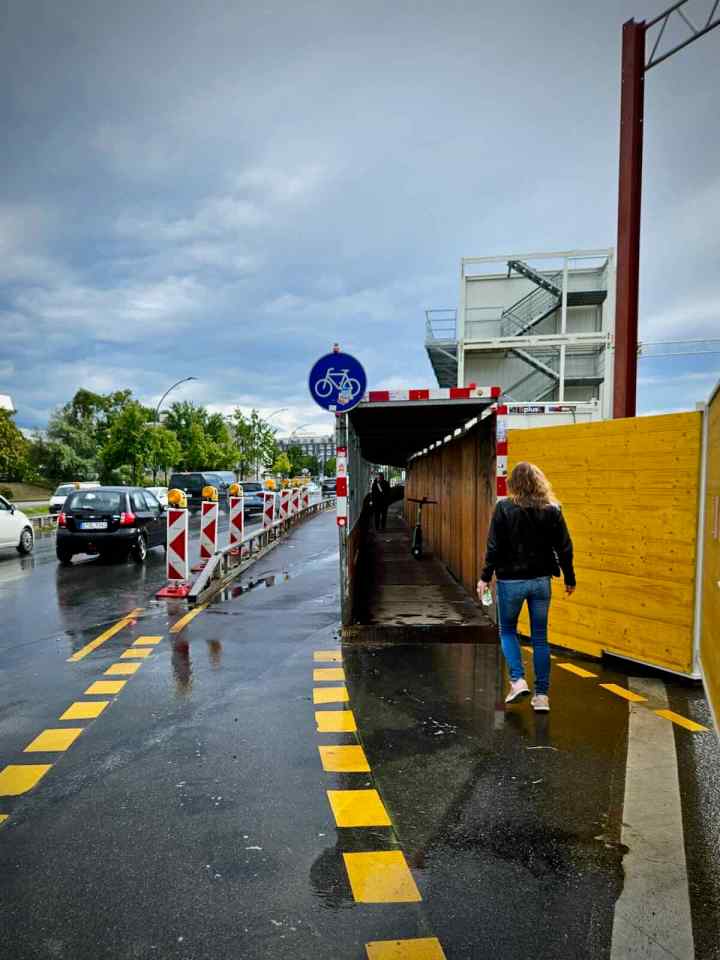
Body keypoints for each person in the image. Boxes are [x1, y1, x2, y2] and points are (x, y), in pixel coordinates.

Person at [477, 461, 575, 713]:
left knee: (508, 631)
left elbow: (494, 547)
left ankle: (518, 680)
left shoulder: (504, 508)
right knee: (540, 638)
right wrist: (569, 577)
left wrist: (485, 577)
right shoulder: (552, 509)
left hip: (510, 581)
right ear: (539, 482)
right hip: (541, 582)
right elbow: (565, 547)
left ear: (514, 484)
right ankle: (542, 697)